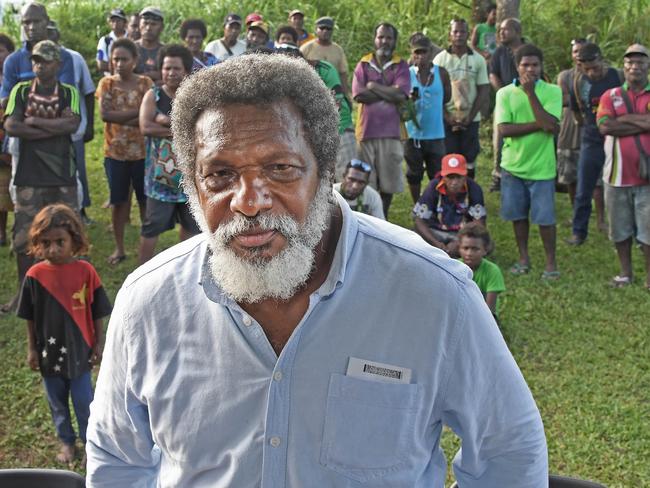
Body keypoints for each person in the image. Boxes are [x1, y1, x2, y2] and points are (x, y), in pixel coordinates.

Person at [86, 53, 548, 488]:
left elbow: (508, 452)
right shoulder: (147, 302)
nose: (249, 201)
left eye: (281, 168)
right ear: (192, 187)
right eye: (220, 176)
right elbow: (118, 461)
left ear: (326, 170)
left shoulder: (433, 293)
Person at [18, 203, 111, 463]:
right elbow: (29, 317)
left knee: (85, 403)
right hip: (49, 355)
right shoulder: (35, 276)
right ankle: (66, 442)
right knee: (57, 404)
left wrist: (99, 345)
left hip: (80, 353)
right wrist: (32, 348)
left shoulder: (86, 272)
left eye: (60, 241)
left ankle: (90, 443)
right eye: (45, 243)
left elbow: (97, 312)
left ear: (75, 240)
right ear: (37, 242)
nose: (53, 249)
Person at [3, 40, 80, 314]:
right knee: (24, 235)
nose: (40, 66)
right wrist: (53, 128)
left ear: (57, 64)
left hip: (62, 175)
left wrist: (33, 123)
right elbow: (11, 125)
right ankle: (25, 292)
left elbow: (72, 124)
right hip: (28, 175)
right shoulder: (21, 90)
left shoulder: (68, 92)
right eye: (36, 61)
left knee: (69, 231)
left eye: (46, 61)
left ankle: (69, 288)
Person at [495, 44, 562, 279]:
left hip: (542, 168)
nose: (530, 69)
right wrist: (541, 124)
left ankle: (550, 263)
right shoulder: (504, 93)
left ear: (541, 66)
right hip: (513, 166)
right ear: (517, 67)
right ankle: (523, 258)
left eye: (535, 65)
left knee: (545, 219)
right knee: (518, 217)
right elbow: (505, 129)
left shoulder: (553, 91)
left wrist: (531, 93)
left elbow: (553, 128)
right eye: (525, 65)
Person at [138, 44, 200, 264]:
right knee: (152, 226)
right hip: (159, 179)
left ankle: (186, 268)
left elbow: (198, 130)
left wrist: (163, 121)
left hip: (189, 178)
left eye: (176, 68)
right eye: (166, 68)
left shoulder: (192, 97)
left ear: (185, 71)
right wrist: (178, 129)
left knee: (191, 225)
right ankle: (140, 272)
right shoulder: (153, 95)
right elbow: (146, 127)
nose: (171, 73)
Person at [597, 43, 650, 289]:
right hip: (616, 175)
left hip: (647, 179)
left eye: (640, 62)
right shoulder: (611, 95)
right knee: (620, 230)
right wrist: (644, 123)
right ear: (624, 66)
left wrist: (624, 120)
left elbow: (615, 124)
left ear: (647, 66)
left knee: (648, 231)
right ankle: (626, 273)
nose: (634, 66)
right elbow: (606, 126)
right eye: (630, 62)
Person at [96, 38, 153, 265]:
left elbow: (149, 115)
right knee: (118, 202)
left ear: (135, 61)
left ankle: (145, 250)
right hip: (115, 154)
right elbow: (105, 115)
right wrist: (138, 115)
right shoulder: (106, 84)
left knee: (144, 201)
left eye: (124, 59)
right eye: (115, 59)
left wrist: (138, 117)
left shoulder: (145, 83)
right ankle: (119, 248)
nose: (119, 63)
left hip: (142, 154)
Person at [566, 42, 622, 245]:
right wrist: (591, 126)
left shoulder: (616, 76)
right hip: (591, 137)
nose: (592, 72)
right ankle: (579, 232)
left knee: (621, 186)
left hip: (618, 135)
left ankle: (624, 231)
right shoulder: (577, 82)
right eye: (586, 68)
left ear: (601, 59)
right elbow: (576, 112)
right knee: (584, 187)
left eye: (595, 67)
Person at [352, 22, 410, 218]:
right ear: (375, 39)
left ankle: (383, 217)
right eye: (381, 37)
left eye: (389, 38)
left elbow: (402, 95)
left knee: (388, 183)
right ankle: (369, 219)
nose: (384, 41)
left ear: (395, 41)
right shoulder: (364, 63)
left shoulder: (401, 64)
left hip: (392, 132)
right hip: (366, 132)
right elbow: (359, 95)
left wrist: (373, 86)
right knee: (367, 180)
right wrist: (389, 92)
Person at [275, 44, 354, 184]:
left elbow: (337, 104)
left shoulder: (324, 69)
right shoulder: (279, 78)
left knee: (344, 178)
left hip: (339, 128)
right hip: (307, 134)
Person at [48, 21, 95, 225]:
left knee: (77, 172)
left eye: (52, 33)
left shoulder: (74, 58)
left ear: (58, 35)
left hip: (73, 131)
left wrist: (90, 125)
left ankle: (80, 211)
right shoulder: (34, 61)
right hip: (45, 133)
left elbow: (88, 91)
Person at [433, 18, 489, 179]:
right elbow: (435, 91)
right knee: (448, 157)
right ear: (449, 35)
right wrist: (446, 116)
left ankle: (469, 196)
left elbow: (483, 89)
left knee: (469, 158)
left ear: (468, 34)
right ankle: (448, 197)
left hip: (470, 118)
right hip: (446, 118)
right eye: (455, 32)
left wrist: (470, 117)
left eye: (462, 31)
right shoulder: (440, 59)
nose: (459, 35)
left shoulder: (478, 59)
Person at [405, 36, 451, 202]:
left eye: (424, 52)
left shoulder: (442, 73)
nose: (421, 56)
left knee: (437, 172)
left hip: (436, 133)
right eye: (417, 52)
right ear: (411, 53)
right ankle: (417, 204)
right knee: (414, 173)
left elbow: (446, 97)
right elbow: (401, 103)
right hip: (412, 134)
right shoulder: (406, 74)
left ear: (431, 53)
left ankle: (434, 204)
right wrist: (410, 100)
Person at [413, 153, 486, 257]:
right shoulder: (433, 186)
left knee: (486, 244)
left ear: (465, 176)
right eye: (450, 177)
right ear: (443, 176)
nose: (454, 182)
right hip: (435, 232)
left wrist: (460, 242)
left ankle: (454, 251)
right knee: (415, 237)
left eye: (458, 177)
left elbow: (479, 223)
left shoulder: (474, 188)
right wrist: (436, 243)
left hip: (461, 234)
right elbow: (419, 220)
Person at [488, 18, 525, 191]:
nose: (501, 33)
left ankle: (521, 173)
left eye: (505, 29)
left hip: (526, 101)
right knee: (499, 139)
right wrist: (503, 93)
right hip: (504, 101)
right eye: (500, 30)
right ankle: (498, 175)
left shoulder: (528, 51)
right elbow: (492, 74)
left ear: (517, 32)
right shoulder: (499, 52)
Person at [556, 38, 587, 206]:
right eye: (575, 51)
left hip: (590, 129)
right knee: (570, 176)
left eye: (582, 51)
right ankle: (575, 209)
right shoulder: (565, 76)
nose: (579, 55)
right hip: (569, 130)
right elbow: (564, 99)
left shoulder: (596, 74)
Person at [457, 222, 504, 319]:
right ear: (459, 248)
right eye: (465, 248)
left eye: (475, 249)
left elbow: (489, 310)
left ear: (485, 250)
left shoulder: (492, 271)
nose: (469, 253)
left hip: (485, 317)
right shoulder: (454, 268)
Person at [300, 16, 349, 94]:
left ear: (332, 31)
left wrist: (345, 95)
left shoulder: (338, 49)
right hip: (310, 91)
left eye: (328, 29)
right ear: (316, 30)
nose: (325, 31)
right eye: (322, 28)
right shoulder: (306, 48)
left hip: (333, 92)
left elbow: (343, 74)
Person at [0, 33, 15, 247]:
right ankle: (1, 232)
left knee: (18, 187)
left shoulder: (15, 76)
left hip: (15, 136)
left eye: (1, 52)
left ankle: (17, 231)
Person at [134, 6, 164, 84]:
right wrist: (149, 76)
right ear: (139, 25)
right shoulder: (130, 49)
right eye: (145, 23)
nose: (148, 28)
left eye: (153, 24)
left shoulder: (166, 51)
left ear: (162, 27)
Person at [96, 8, 127, 76]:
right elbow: (100, 64)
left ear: (124, 22)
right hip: (110, 79)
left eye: (118, 21)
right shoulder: (104, 40)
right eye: (113, 21)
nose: (115, 23)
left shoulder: (131, 38)